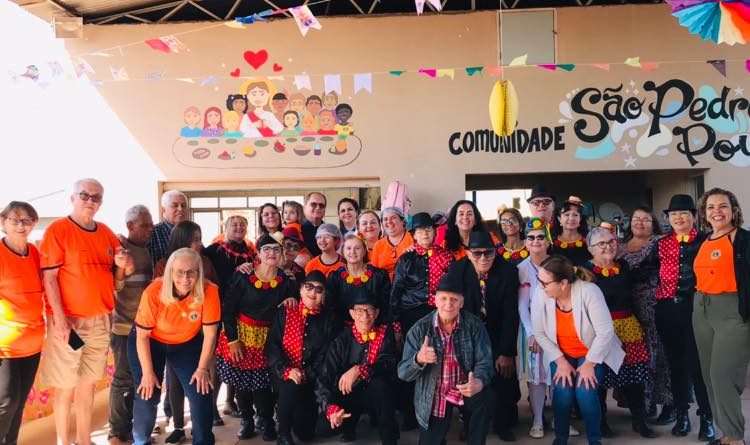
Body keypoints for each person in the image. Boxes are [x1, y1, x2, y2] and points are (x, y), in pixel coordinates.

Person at [40, 179, 131, 445]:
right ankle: (62, 441)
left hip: (100, 321)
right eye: (85, 195)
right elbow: (49, 278)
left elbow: (118, 277)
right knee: (66, 385)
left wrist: (122, 264)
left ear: (101, 202)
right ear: (73, 198)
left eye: (96, 197)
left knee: (88, 383)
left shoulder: (105, 232)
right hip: (70, 323)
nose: (90, 201)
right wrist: (60, 320)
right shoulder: (59, 230)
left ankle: (84, 439)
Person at [130, 248, 220, 445]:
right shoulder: (153, 292)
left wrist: (202, 369)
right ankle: (140, 441)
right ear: (170, 271)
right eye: (179, 272)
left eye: (191, 272)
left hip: (186, 343)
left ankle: (203, 441)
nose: (185, 278)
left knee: (200, 391)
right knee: (147, 395)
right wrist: (147, 373)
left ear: (199, 273)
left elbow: (211, 334)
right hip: (150, 341)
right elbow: (142, 336)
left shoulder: (210, 291)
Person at [532, 255, 624, 445]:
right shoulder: (541, 293)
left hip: (591, 351)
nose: (540, 286)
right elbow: (539, 332)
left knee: (585, 391)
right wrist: (560, 361)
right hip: (561, 352)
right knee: (562, 391)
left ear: (563, 283)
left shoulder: (589, 291)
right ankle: (561, 438)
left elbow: (605, 332)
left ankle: (594, 439)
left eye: (545, 283)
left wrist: (589, 363)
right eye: (539, 280)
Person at [216, 233, 298, 441]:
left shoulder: (287, 280)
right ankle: (247, 420)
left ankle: (266, 420)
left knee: (264, 385)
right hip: (242, 336)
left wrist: (292, 299)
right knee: (242, 383)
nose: (272, 253)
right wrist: (233, 340)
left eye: (276, 249)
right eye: (266, 249)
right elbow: (228, 309)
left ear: (282, 253)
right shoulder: (243, 275)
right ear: (258, 254)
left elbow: (295, 303)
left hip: (268, 338)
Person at [398, 272, 496, 445]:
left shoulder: (474, 325)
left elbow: (485, 362)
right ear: (435, 300)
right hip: (434, 394)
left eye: (454, 299)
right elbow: (403, 373)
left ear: (462, 302)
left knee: (486, 397)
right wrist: (419, 359)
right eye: (443, 298)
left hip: (464, 388)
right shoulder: (420, 329)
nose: (448, 304)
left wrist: (478, 382)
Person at [649, 194, 714, 440]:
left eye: (684, 213)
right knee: (675, 365)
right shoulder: (661, 244)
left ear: (693, 216)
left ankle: (706, 417)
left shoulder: (707, 241)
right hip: (668, 310)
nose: (678, 218)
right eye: (674, 214)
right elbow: (647, 269)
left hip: (696, 309)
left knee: (698, 367)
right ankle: (682, 415)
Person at [584, 225, 656, 438]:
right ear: (590, 248)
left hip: (628, 327)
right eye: (601, 243)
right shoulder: (584, 272)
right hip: (601, 331)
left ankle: (639, 420)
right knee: (601, 378)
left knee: (635, 377)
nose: (608, 246)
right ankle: (601, 422)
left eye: (611, 242)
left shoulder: (623, 266)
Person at [448, 230, 521, 441]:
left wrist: (506, 352)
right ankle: (470, 422)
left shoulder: (508, 271)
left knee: (504, 374)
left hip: (497, 330)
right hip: (467, 334)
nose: (483, 258)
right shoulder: (457, 270)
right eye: (477, 253)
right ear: (468, 253)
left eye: (488, 253)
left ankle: (503, 423)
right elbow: (453, 308)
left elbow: (510, 314)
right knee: (469, 376)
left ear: (495, 252)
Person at [692, 188, 750, 445]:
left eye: (723, 206)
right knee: (708, 376)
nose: (717, 211)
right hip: (702, 309)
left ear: (733, 210)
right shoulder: (704, 240)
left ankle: (735, 437)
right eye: (711, 207)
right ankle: (725, 434)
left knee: (722, 375)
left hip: (732, 311)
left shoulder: (744, 240)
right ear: (704, 213)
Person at [153, 220, 220, 442]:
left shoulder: (205, 262)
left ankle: (204, 426)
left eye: (200, 239)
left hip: (202, 331)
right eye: (195, 239)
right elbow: (162, 294)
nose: (199, 244)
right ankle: (178, 425)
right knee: (174, 381)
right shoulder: (164, 264)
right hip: (173, 334)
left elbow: (214, 288)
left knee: (202, 379)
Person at [390, 212, 454, 431]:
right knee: (412, 362)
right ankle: (409, 413)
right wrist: (396, 326)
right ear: (414, 234)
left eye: (428, 229)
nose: (425, 233)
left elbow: (454, 288)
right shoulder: (406, 259)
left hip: (439, 314)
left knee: (439, 362)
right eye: (420, 230)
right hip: (411, 315)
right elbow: (395, 294)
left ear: (435, 232)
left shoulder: (446, 256)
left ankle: (437, 412)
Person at [317, 292, 399, 445]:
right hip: (348, 394)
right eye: (360, 311)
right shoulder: (340, 340)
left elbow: (389, 363)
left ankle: (389, 438)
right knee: (324, 428)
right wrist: (331, 409)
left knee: (382, 385)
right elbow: (324, 378)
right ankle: (349, 427)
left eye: (369, 310)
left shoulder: (384, 334)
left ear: (377, 313)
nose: (365, 316)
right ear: (352, 314)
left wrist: (360, 370)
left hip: (374, 392)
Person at [266, 270, 336, 445]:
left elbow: (325, 357)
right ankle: (283, 435)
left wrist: (305, 374)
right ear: (300, 289)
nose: (313, 293)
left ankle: (291, 412)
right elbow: (272, 346)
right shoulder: (286, 311)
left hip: (311, 379)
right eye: (309, 287)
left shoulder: (329, 319)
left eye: (319, 290)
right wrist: (286, 370)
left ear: (324, 295)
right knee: (290, 385)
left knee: (306, 434)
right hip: (283, 374)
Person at [618, 206, 672, 422]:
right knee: (636, 357)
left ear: (654, 223)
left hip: (655, 308)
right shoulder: (620, 247)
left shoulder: (660, 242)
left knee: (660, 356)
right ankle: (642, 405)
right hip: (628, 311)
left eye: (645, 219)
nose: (639, 223)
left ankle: (669, 404)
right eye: (636, 219)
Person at [202, 215, 256, 422]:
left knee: (237, 357)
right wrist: (236, 272)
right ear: (226, 228)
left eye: (243, 224)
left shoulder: (251, 252)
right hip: (218, 308)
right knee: (216, 360)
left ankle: (229, 401)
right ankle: (211, 407)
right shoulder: (213, 250)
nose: (239, 227)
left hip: (242, 312)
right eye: (234, 224)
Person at [109, 205, 154, 445]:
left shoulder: (146, 250)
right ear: (129, 226)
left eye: (150, 225)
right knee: (122, 381)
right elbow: (115, 285)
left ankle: (134, 429)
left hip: (144, 329)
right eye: (144, 225)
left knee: (140, 380)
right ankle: (117, 432)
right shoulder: (120, 248)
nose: (150, 229)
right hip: (124, 328)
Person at [0, 202, 44, 445]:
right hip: (5, 347)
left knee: (18, 405)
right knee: (6, 402)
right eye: (14, 220)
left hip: (33, 345)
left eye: (27, 220)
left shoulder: (34, 253)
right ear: (3, 223)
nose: (21, 225)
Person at [516, 218, 551, 439]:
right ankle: (537, 420)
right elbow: (522, 305)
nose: (536, 241)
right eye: (531, 237)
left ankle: (561, 419)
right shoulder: (522, 269)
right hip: (532, 329)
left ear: (547, 241)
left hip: (559, 327)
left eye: (540, 237)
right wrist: (532, 333)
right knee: (536, 376)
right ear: (525, 242)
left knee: (558, 374)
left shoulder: (559, 264)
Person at [327, 233, 391, 330]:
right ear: (343, 252)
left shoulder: (379, 275)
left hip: (374, 327)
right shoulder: (335, 277)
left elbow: (386, 306)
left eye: (357, 248)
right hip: (343, 329)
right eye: (348, 248)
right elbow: (331, 308)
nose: (352, 252)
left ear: (364, 251)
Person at [371, 207, 414, 280]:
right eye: (385, 219)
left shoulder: (413, 239)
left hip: (408, 283)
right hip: (383, 284)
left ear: (402, 221)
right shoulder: (378, 245)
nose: (389, 222)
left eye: (393, 218)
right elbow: (374, 272)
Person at [147, 190, 189, 266]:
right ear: (163, 209)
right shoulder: (152, 233)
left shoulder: (192, 232)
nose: (180, 209)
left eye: (183, 205)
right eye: (175, 205)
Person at [551, 196, 591, 266]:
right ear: (559, 219)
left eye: (575, 215)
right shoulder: (550, 241)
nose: (571, 218)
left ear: (580, 219)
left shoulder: (590, 241)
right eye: (567, 214)